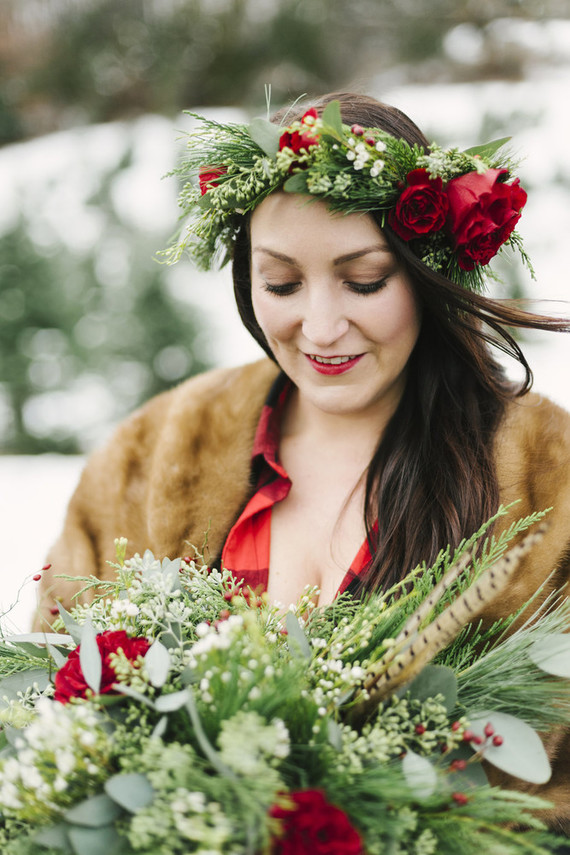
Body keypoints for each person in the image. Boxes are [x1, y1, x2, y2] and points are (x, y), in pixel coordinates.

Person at [34, 92, 570, 832]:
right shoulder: (152, 454)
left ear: (426, 273)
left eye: (365, 280)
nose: (320, 327)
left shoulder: (548, 475)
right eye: (281, 283)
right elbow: (54, 710)